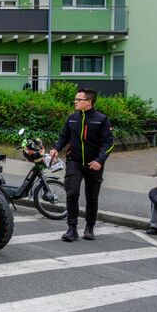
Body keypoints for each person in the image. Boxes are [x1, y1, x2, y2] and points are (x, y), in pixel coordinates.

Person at [50, 88, 114, 242]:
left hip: (94, 164)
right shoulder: (72, 118)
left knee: (92, 197)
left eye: (79, 99)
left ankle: (89, 227)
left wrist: (100, 161)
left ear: (88, 102)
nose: (75, 102)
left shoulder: (102, 119)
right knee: (72, 194)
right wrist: (56, 148)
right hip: (74, 162)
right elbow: (64, 136)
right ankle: (72, 229)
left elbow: (109, 144)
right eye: (76, 99)